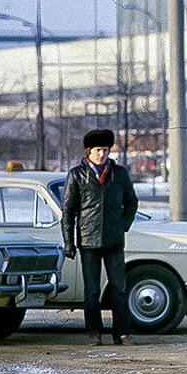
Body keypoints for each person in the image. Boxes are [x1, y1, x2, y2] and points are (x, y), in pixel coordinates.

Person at [61, 129, 140, 346]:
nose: (102, 155)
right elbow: (68, 211)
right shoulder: (77, 175)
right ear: (89, 152)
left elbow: (132, 202)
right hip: (88, 241)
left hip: (114, 241)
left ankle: (122, 333)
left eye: (105, 150)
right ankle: (94, 332)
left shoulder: (119, 174)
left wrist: (123, 224)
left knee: (119, 289)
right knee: (92, 290)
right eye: (98, 150)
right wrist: (68, 241)